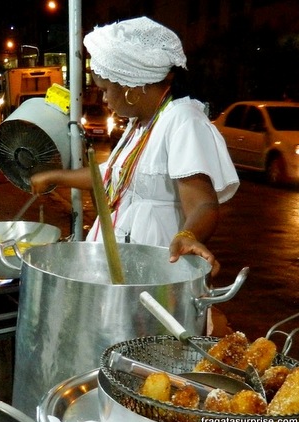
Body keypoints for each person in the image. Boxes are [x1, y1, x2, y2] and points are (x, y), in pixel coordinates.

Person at [30, 16, 239, 276]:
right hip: (122, 265)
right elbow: (112, 175)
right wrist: (56, 177)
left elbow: (203, 204)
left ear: (131, 86)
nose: (103, 98)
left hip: (154, 268)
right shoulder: (140, 123)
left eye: (105, 89)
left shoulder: (182, 120)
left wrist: (189, 235)